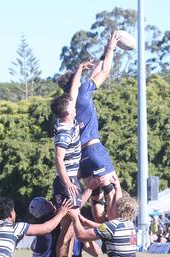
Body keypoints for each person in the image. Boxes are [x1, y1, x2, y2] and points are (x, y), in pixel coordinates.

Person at [58, 32, 121, 213]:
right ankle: (114, 228)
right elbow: (105, 72)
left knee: (95, 194)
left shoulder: (65, 103)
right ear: (76, 82)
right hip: (94, 149)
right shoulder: (84, 91)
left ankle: (99, 225)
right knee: (112, 189)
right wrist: (110, 50)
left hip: (80, 158)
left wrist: (103, 55)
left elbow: (93, 75)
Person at [50, 60, 94, 257]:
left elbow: (73, 90)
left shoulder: (66, 118)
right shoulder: (64, 131)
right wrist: (67, 182)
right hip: (68, 183)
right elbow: (58, 157)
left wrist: (79, 68)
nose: (75, 104)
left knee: (67, 231)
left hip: (71, 183)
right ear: (67, 111)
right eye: (72, 105)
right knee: (71, 229)